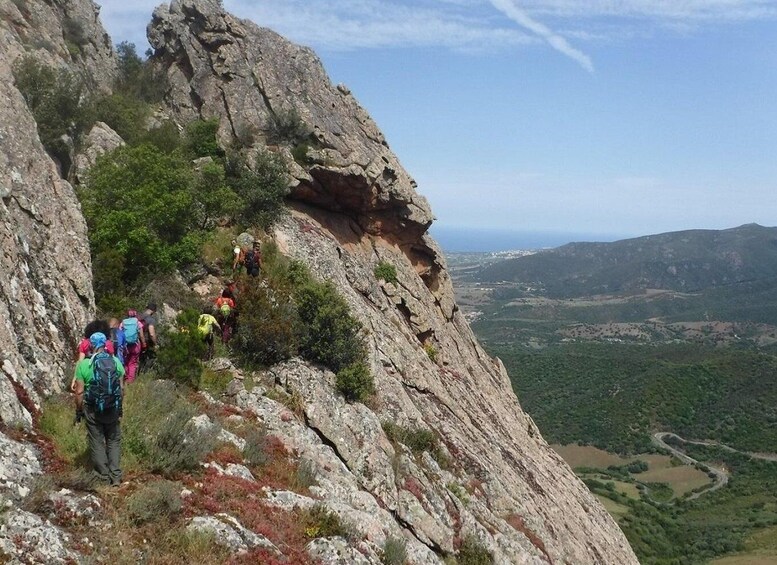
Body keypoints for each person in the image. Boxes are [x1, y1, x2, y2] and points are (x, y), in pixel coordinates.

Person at [74, 332, 124, 486]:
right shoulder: (115, 361)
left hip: (93, 408)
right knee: (113, 441)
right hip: (112, 407)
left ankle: (103, 476)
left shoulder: (83, 365)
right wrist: (119, 406)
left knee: (97, 441)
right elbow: (121, 388)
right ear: (105, 344)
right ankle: (116, 476)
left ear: (91, 345)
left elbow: (79, 392)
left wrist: (79, 411)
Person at [71, 320, 114, 392]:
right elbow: (113, 360)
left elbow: (80, 361)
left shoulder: (85, 343)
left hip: (88, 370)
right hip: (105, 372)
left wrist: (75, 377)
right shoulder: (108, 343)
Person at [121, 310, 145, 383]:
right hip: (135, 345)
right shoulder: (137, 322)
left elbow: (120, 334)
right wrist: (144, 343)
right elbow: (141, 335)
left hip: (126, 346)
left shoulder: (123, 323)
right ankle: (130, 380)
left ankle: (125, 377)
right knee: (133, 363)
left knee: (125, 361)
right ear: (135, 315)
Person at [139, 303, 158, 372]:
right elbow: (152, 333)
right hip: (147, 341)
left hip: (137, 340)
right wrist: (155, 343)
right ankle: (144, 372)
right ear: (153, 311)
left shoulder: (139, 316)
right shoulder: (150, 319)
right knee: (150, 356)